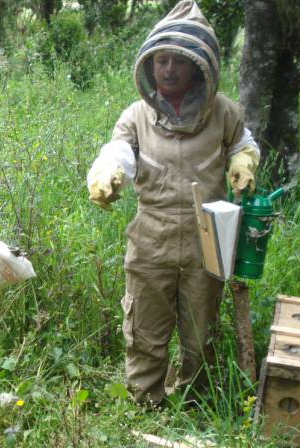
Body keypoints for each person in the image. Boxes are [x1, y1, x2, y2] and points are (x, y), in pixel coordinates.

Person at [87, 0, 260, 408]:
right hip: (152, 236)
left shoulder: (224, 112)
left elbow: (245, 143)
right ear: (150, 65)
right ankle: (145, 402)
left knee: (201, 330)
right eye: (161, 60)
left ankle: (194, 401)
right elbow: (118, 151)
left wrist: (242, 161)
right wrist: (108, 173)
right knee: (145, 325)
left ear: (198, 66)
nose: (168, 70)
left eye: (178, 61)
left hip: (208, 237)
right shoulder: (136, 116)